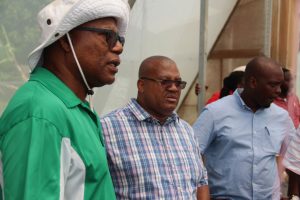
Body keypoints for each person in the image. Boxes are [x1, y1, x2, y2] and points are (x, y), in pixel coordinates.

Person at [0, 0, 129, 199]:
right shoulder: (40, 111)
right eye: (108, 36)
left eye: (120, 39)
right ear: (64, 39)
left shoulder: (73, 108)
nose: (119, 47)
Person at [101, 55, 210, 199]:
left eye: (178, 83)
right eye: (165, 82)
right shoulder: (107, 128)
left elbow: (201, 182)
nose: (173, 88)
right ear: (141, 85)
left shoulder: (186, 130)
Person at [193, 56, 295, 199]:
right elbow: (189, 157)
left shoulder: (281, 117)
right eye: (273, 85)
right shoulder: (214, 113)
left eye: (280, 85)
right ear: (253, 82)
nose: (278, 91)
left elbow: (295, 156)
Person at [273, 68, 300, 199]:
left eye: (291, 79)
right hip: (279, 152)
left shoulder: (294, 98)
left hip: (294, 144)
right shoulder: (270, 102)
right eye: (288, 80)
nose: (291, 83)